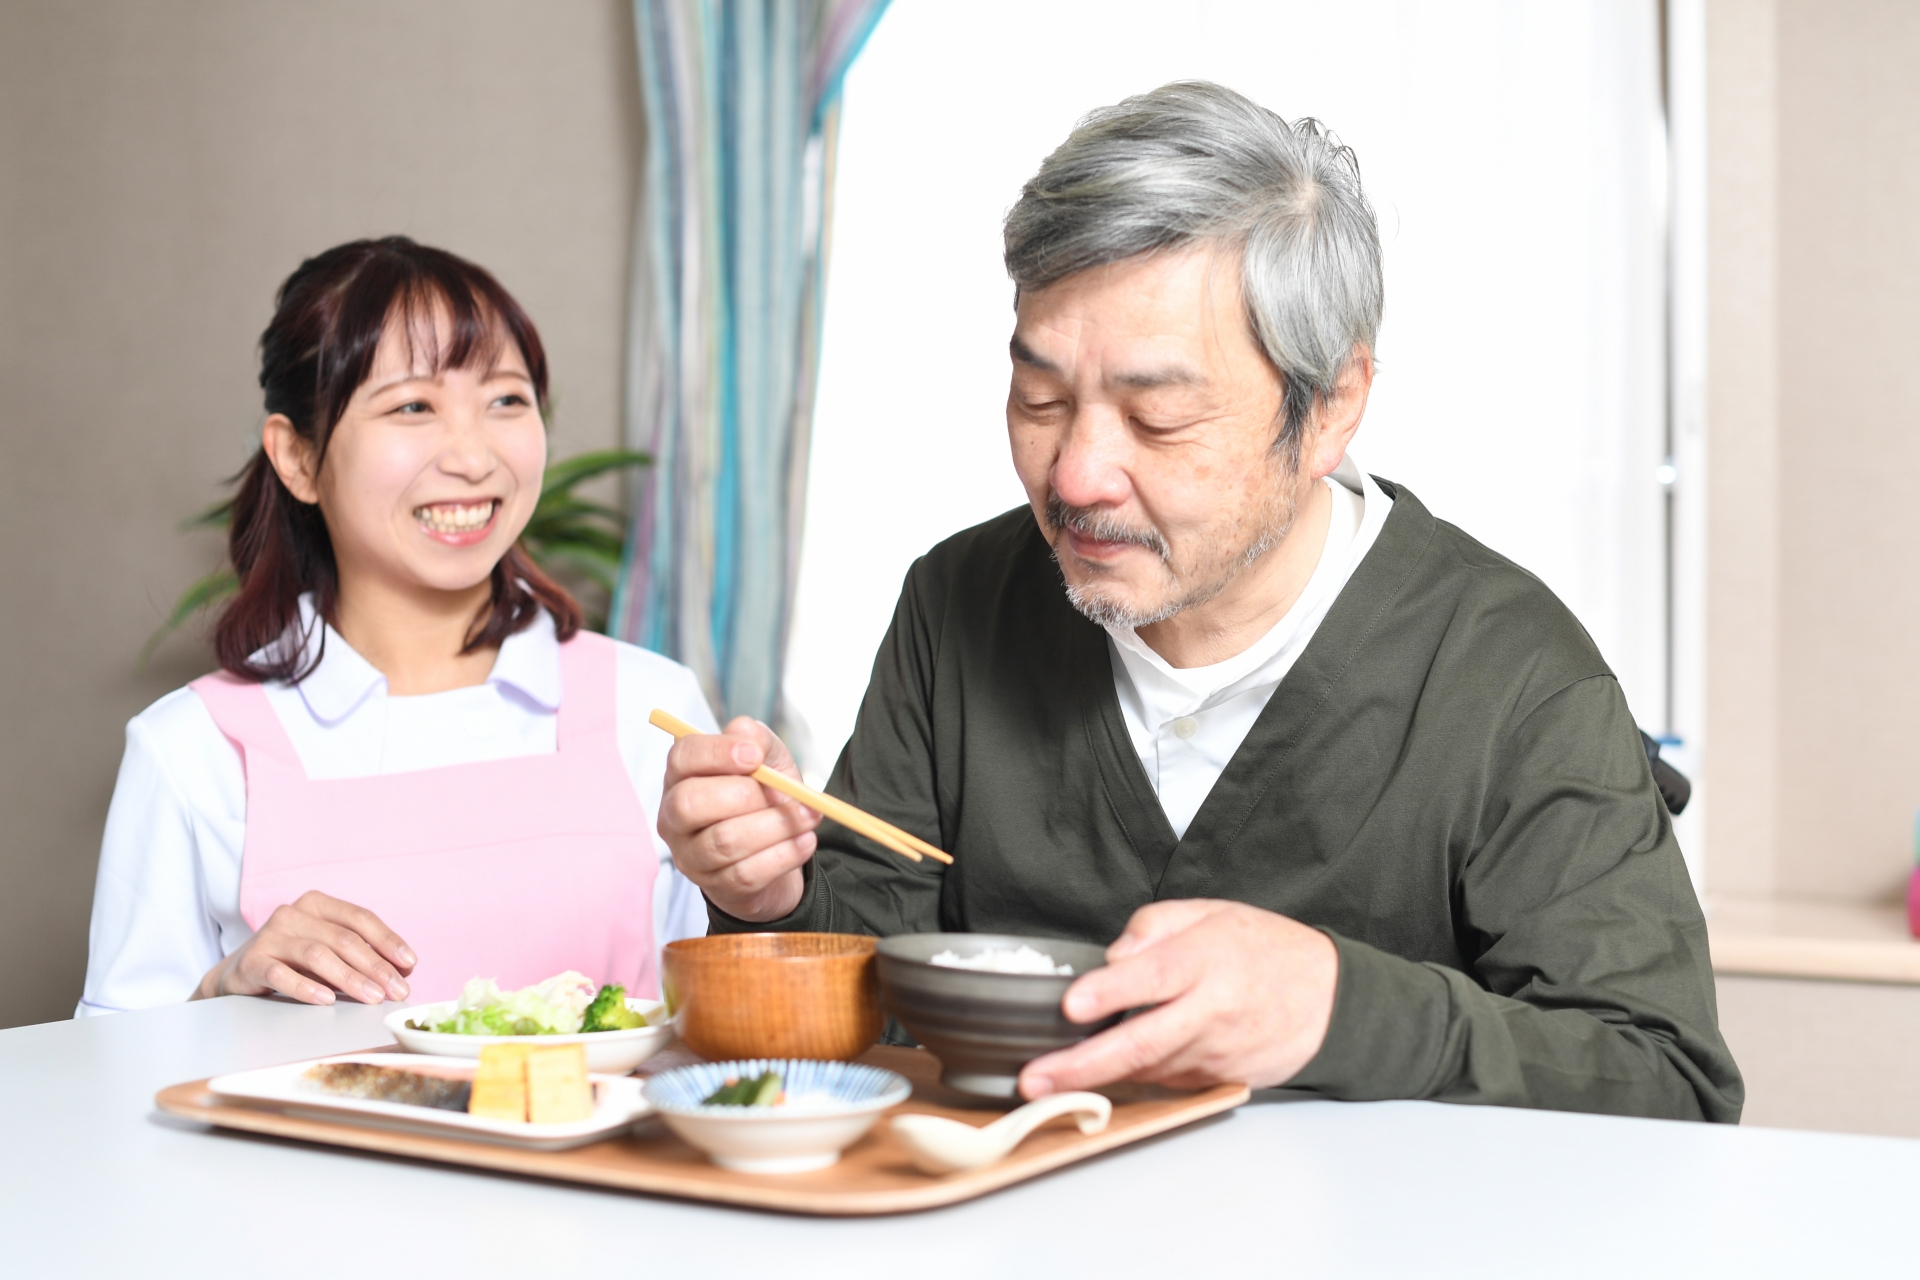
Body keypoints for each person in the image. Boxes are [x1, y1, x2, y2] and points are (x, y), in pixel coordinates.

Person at [657, 82, 1743, 1120]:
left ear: (1330, 408)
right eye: (1040, 396)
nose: (1076, 473)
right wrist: (773, 898)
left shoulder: (1509, 673)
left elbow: (1663, 1082)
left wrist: (1337, 1006)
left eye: (1159, 418)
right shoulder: (962, 602)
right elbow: (873, 993)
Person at [79, 237, 716, 1015]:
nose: (474, 456)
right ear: (298, 458)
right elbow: (114, 1086)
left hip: (604, 1140)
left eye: (506, 400)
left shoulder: (650, 707)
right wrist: (221, 989)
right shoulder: (192, 750)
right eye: (414, 406)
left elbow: (719, 1020)